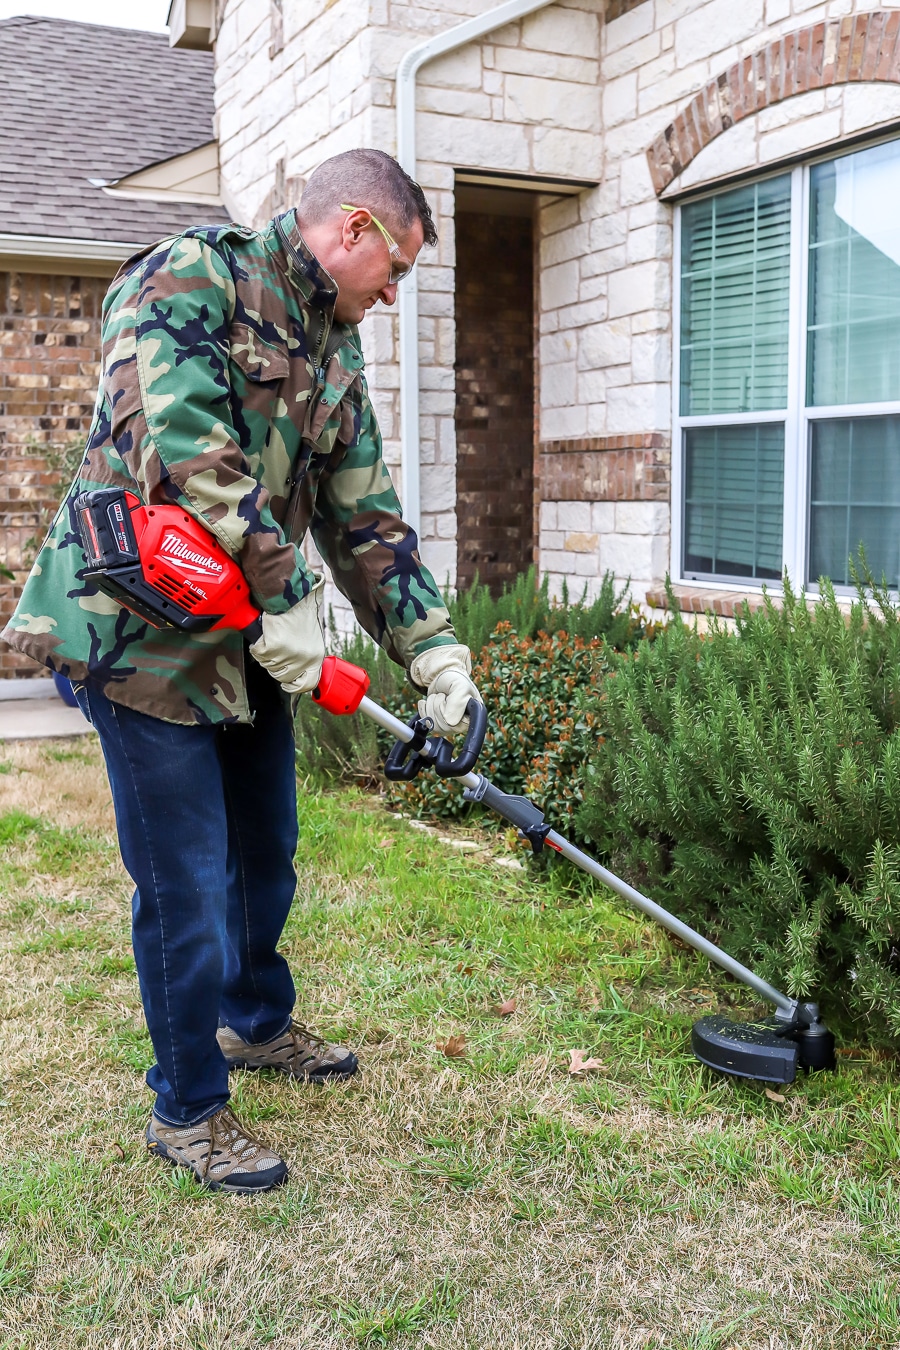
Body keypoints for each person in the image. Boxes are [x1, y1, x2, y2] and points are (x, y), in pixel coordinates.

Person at [2, 148, 482, 1194]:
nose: (392, 293)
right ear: (350, 228)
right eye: (392, 267)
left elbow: (366, 515)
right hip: (139, 637)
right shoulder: (188, 279)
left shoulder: (334, 350)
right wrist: (282, 594)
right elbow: (180, 452)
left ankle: (256, 1023)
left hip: (249, 641)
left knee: (265, 854)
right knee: (186, 884)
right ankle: (186, 1109)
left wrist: (431, 644)